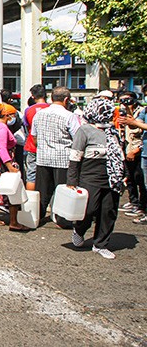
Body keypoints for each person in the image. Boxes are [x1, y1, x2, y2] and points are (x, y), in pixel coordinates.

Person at [68, 98, 125, 259]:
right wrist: (72, 180)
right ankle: (79, 230)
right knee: (89, 209)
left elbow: (120, 155)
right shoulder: (84, 130)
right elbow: (75, 157)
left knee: (108, 211)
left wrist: (123, 176)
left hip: (111, 178)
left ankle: (100, 244)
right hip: (90, 176)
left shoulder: (113, 131)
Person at [31, 86, 81, 223]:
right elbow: (78, 138)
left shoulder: (39, 114)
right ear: (66, 100)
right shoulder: (69, 116)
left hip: (43, 158)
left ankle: (36, 217)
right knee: (63, 192)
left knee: (42, 192)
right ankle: (62, 219)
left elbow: (34, 136)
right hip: (63, 159)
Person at [0, 103, 30, 231]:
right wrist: (10, 166)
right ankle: (14, 222)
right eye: (13, 115)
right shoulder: (2, 128)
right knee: (12, 188)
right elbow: (2, 148)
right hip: (1, 160)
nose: (14, 118)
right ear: (7, 116)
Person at [121, 86, 147, 225]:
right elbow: (133, 126)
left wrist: (134, 122)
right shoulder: (144, 111)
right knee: (134, 179)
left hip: (138, 149)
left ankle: (142, 207)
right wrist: (129, 113)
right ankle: (138, 206)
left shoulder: (141, 109)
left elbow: (138, 127)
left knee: (141, 181)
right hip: (139, 151)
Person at [23, 84, 50, 191]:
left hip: (32, 146)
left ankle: (31, 200)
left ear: (33, 96)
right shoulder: (51, 108)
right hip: (49, 146)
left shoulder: (28, 110)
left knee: (31, 175)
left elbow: (27, 127)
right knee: (48, 175)